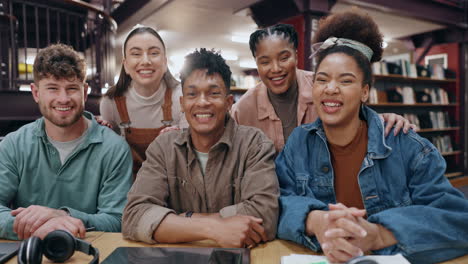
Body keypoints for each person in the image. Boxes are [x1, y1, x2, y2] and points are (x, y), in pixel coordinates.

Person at [275, 10, 468, 263]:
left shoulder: (407, 146)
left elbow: (458, 220)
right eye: (322, 80)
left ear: (365, 91)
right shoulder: (299, 143)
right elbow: (276, 202)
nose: (331, 89)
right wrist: (316, 221)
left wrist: (378, 234)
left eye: (345, 81)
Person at [122, 48, 279, 248]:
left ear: (229, 102)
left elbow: (265, 215)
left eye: (213, 93)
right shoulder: (163, 148)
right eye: (192, 94)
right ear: (182, 103)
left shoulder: (254, 145)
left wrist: (182, 220)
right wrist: (212, 229)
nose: (203, 102)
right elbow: (134, 216)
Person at [0, 44, 133, 240]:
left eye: (72, 88)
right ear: (36, 93)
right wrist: (42, 229)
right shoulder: (13, 145)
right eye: (52, 88)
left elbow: (118, 219)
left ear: (85, 92)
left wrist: (63, 216)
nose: (63, 99)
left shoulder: (115, 148)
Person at [231, 23, 415, 152]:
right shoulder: (243, 109)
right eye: (265, 62)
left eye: (284, 58)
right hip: (271, 199)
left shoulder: (322, 86)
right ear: (256, 63)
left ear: (296, 55)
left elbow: (357, 117)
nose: (276, 68)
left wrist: (384, 119)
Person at [100, 25, 187, 178]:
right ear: (126, 64)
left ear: (165, 62)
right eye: (136, 54)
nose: (145, 61)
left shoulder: (183, 97)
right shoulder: (111, 103)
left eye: (154, 53)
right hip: (129, 189)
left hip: (173, 186)